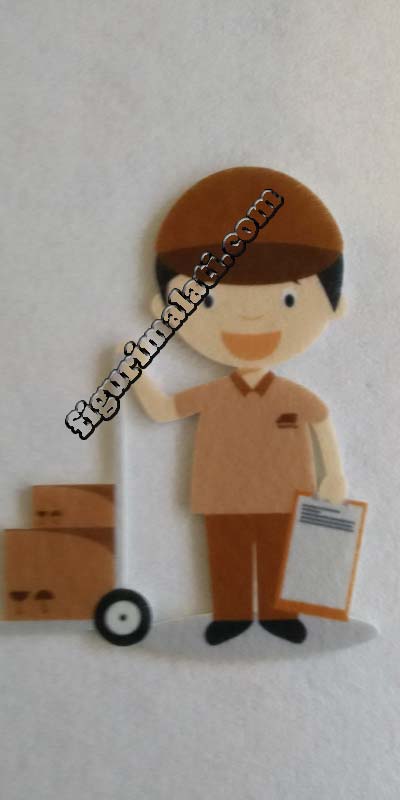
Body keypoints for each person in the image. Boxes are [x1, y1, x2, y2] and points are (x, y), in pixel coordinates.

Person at [134, 166, 347, 646]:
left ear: (333, 303)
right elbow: (164, 411)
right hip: (222, 496)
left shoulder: (292, 397)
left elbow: (322, 422)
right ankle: (229, 615)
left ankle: (278, 615)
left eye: (288, 298)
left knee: (278, 554)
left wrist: (334, 474)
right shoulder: (213, 394)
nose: (250, 317)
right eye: (209, 302)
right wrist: (135, 374)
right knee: (226, 554)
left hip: (284, 495)